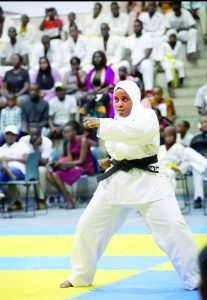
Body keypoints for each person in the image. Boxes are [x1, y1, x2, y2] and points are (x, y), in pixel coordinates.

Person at [59, 80, 200, 290]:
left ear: (134, 99)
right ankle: (80, 275)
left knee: (175, 228)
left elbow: (136, 132)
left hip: (149, 181)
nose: (119, 103)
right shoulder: (115, 121)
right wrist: (110, 160)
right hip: (116, 182)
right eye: (116, 99)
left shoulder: (147, 116)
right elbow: (122, 147)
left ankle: (196, 277)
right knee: (87, 226)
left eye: (125, 99)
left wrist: (102, 123)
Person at [46, 122, 94, 209]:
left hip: (84, 166)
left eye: (68, 132)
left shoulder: (83, 140)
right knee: (49, 175)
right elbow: (70, 159)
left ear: (74, 132)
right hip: (73, 165)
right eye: (65, 132)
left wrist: (64, 163)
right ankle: (70, 196)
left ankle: (69, 200)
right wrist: (59, 162)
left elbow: (81, 160)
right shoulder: (68, 142)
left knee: (56, 175)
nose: (66, 134)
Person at [19, 125, 52, 210]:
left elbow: (43, 162)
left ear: (40, 134)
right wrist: (32, 157)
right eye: (32, 134)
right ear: (29, 134)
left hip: (43, 167)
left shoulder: (47, 142)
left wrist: (36, 148)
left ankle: (41, 200)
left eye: (37, 135)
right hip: (26, 166)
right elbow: (24, 158)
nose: (34, 137)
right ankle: (18, 202)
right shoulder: (23, 140)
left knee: (41, 170)